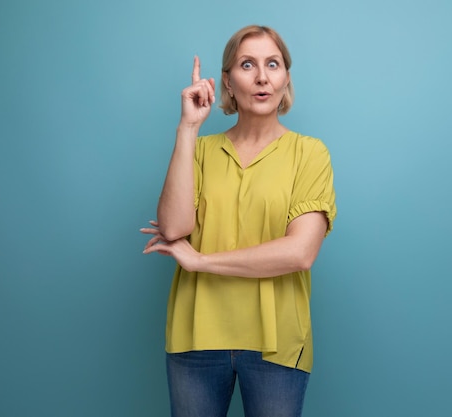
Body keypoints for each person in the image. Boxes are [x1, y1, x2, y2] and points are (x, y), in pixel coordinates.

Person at [140, 25, 336, 417]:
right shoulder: (201, 150)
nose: (262, 77)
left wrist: (201, 261)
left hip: (277, 343)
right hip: (195, 337)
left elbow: (300, 252)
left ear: (285, 79)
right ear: (227, 82)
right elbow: (175, 228)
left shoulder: (310, 154)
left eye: (273, 64)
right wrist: (188, 128)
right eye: (247, 65)